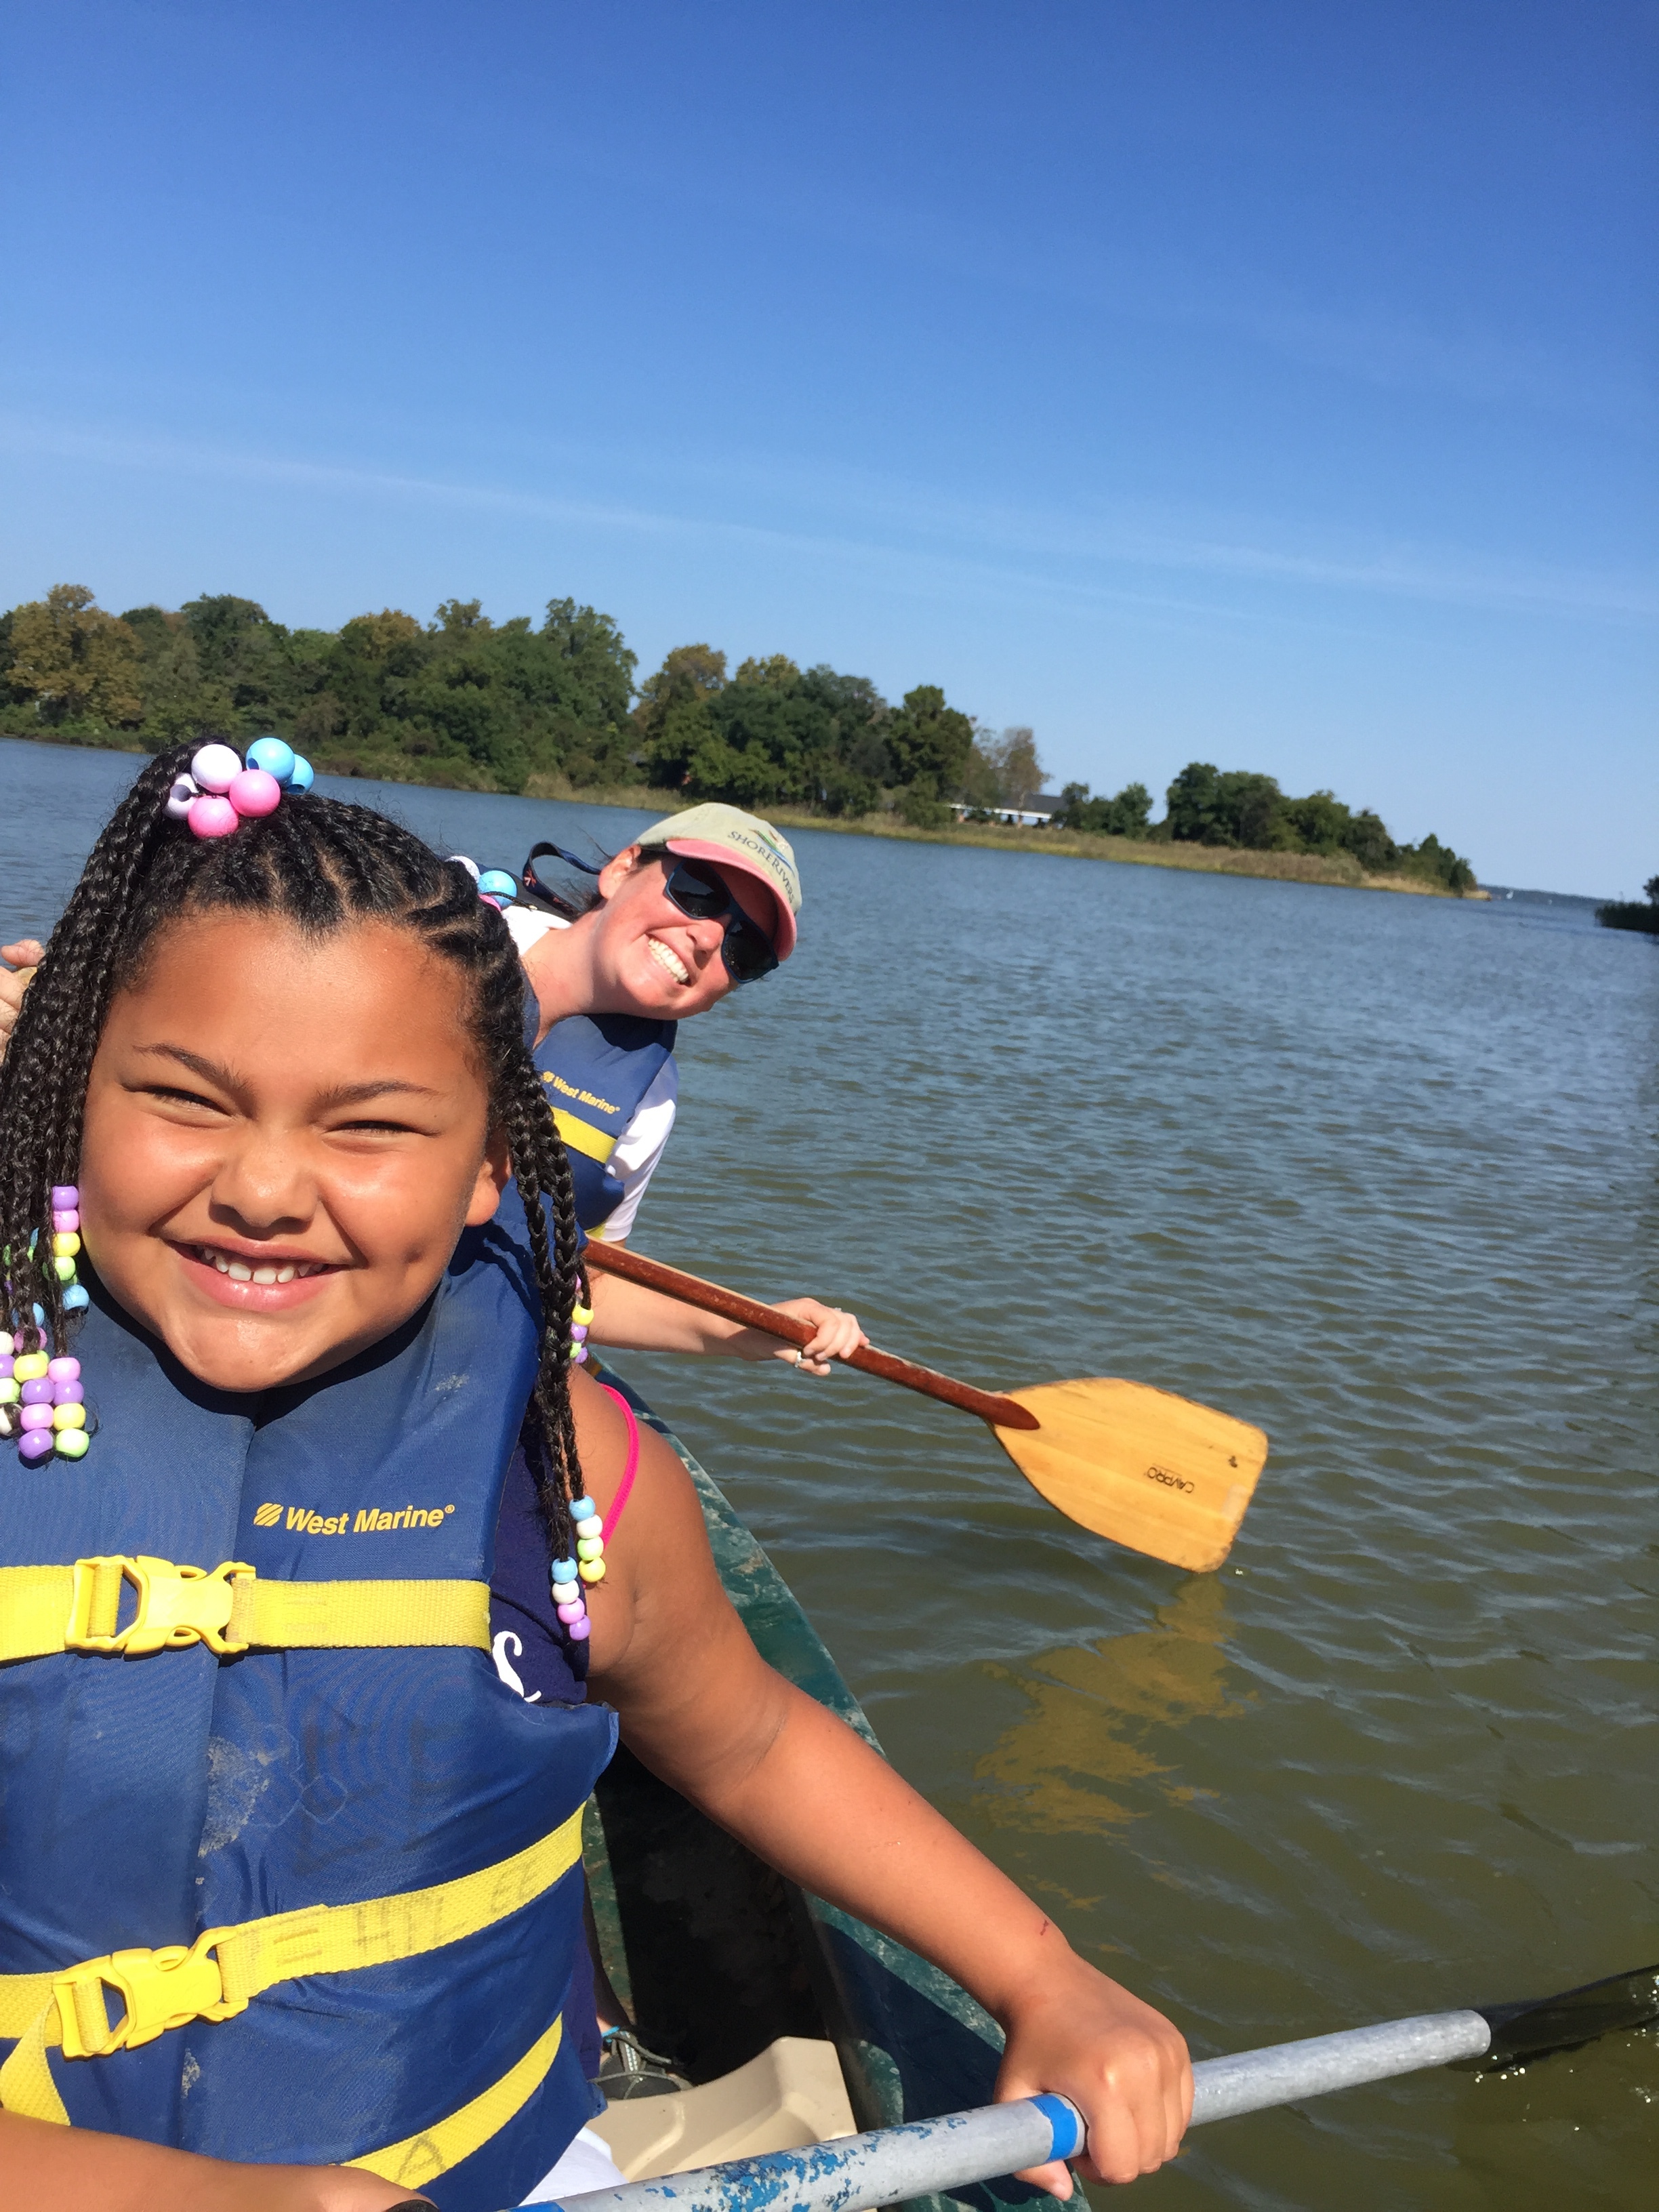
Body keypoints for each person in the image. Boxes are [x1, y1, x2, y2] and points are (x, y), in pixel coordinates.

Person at [0, 747, 1190, 2211]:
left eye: (371, 1126)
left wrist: (1044, 1970)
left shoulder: (577, 1473)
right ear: (65, 1082)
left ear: (489, 1169)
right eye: (185, 1099)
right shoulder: (456, 943)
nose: (262, 1188)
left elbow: (749, 1738)